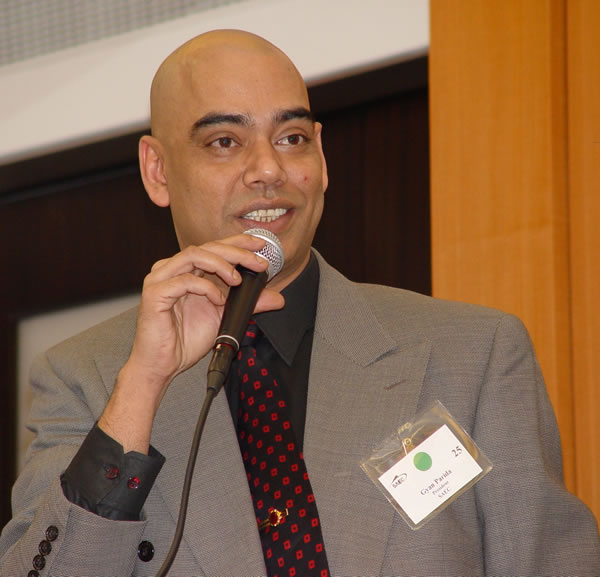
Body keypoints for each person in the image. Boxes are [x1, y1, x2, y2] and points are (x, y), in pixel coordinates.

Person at [1, 29, 599, 577]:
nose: (269, 169)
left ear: (321, 157)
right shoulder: (86, 378)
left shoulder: (475, 354)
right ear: (157, 171)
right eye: (225, 141)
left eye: (292, 138)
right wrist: (141, 387)